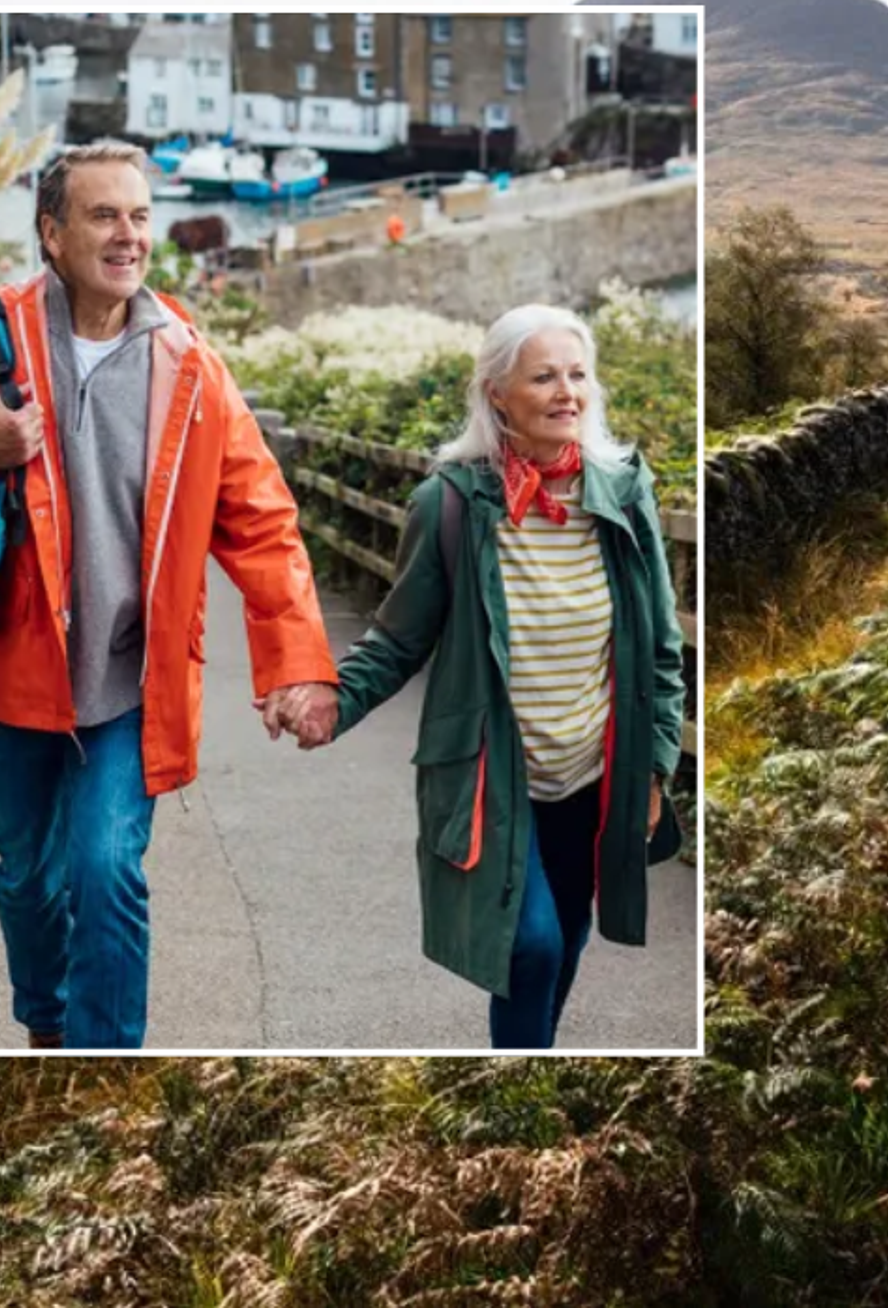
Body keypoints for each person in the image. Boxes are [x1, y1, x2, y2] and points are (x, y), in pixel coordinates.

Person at [0, 141, 337, 1050]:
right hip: (11, 673)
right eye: (104, 216)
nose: (127, 235)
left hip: (131, 680)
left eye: (140, 216)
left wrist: (299, 666)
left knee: (108, 869)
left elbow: (262, 519)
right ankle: (46, 1026)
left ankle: (104, 1052)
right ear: (52, 232)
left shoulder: (188, 363)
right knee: (30, 875)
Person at [272, 304, 685, 1049]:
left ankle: (528, 1065)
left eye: (578, 374)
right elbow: (399, 637)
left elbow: (661, 643)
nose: (568, 392)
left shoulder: (623, 494)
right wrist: (334, 700)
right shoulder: (453, 504)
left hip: (594, 773)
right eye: (544, 377)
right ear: (498, 393)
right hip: (495, 778)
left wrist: (654, 768)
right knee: (529, 947)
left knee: (565, 933)